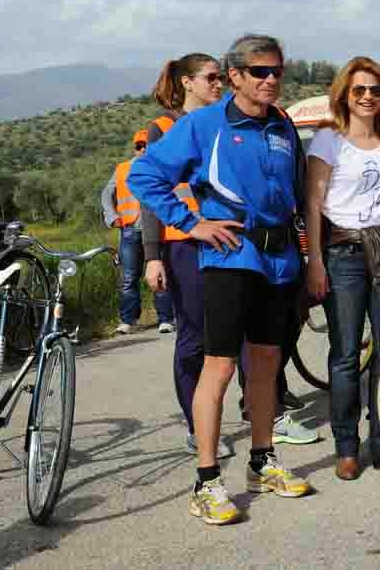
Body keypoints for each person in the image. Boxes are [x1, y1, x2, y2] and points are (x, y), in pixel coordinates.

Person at [128, 33, 312, 526]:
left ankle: (262, 461)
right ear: (235, 76)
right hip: (231, 258)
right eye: (260, 72)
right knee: (220, 367)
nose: (271, 79)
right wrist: (192, 224)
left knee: (267, 364)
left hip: (280, 259)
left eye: (277, 71)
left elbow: (294, 191)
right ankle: (207, 481)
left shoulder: (283, 124)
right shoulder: (203, 123)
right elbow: (143, 177)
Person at [304, 56, 380, 479]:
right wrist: (315, 260)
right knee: (346, 354)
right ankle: (346, 446)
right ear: (345, 96)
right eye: (359, 90)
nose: (367, 97)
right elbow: (313, 204)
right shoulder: (328, 141)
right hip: (344, 254)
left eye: (374, 90)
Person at [139, 53, 234, 458]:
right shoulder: (162, 129)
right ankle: (197, 424)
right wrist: (152, 255)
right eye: (211, 78)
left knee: (237, 334)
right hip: (182, 244)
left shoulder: (225, 124)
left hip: (225, 240)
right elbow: (147, 195)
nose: (219, 85)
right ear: (187, 83)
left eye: (221, 78)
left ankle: (266, 412)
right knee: (195, 338)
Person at [101, 130, 175, 335]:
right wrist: (111, 216)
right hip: (130, 230)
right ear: (135, 148)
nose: (143, 148)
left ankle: (166, 319)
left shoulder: (164, 167)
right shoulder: (122, 169)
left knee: (160, 277)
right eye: (139, 145)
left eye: (146, 145)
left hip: (159, 230)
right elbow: (107, 194)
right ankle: (128, 321)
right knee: (128, 277)